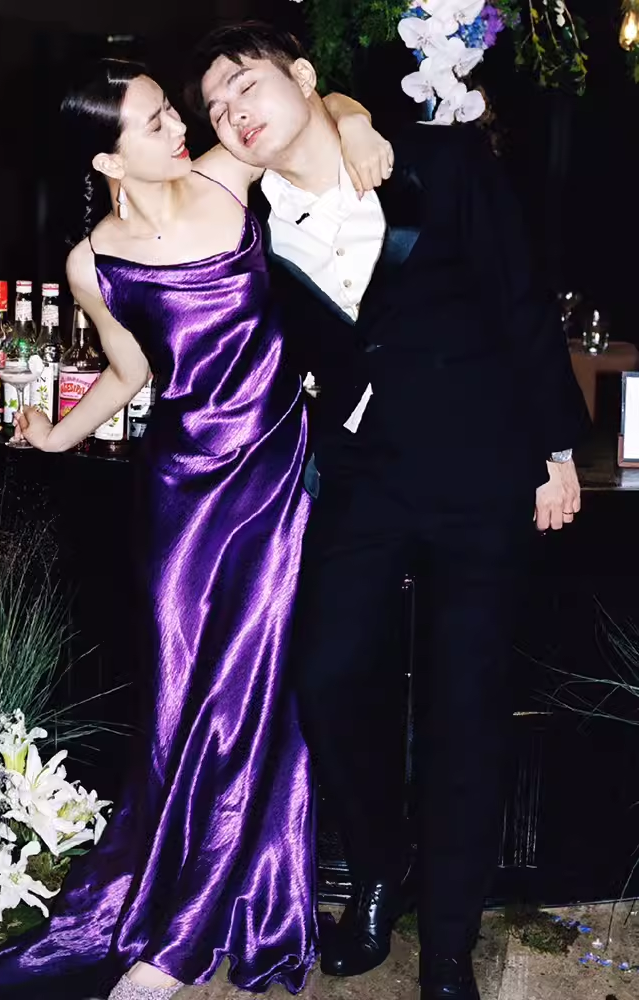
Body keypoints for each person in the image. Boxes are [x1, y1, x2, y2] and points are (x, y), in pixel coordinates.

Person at [0, 60, 392, 1000]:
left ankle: (188, 935)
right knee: (179, 699)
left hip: (277, 479)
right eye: (155, 122)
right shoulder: (92, 263)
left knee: (252, 695)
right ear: (107, 158)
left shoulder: (226, 175)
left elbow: (311, 109)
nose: (182, 127)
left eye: (173, 109)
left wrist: (358, 117)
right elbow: (131, 372)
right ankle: (163, 891)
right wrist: (58, 432)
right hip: (180, 494)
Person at [191, 22, 591, 1000]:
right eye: (215, 106)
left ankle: (448, 941)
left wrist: (555, 452)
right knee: (327, 674)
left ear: (302, 75)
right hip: (364, 474)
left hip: (480, 466)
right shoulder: (247, 223)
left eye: (245, 84)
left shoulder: (436, 160)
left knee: (465, 707)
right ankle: (379, 865)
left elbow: (519, 295)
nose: (233, 111)